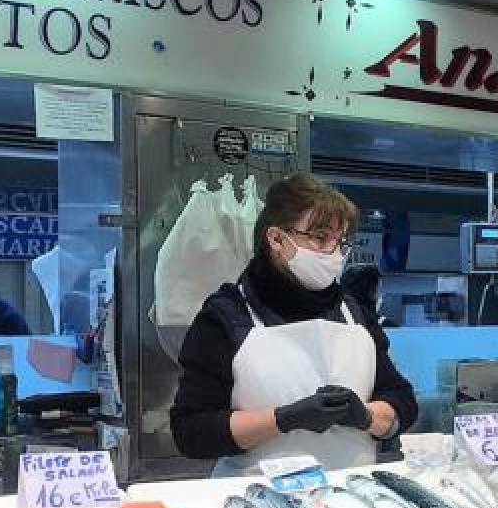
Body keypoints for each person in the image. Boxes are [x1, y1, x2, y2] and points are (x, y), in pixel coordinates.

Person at [170, 173, 417, 475]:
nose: (334, 253)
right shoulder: (227, 315)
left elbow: (401, 400)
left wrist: (363, 416)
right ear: (276, 239)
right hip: (260, 502)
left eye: (340, 241)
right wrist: (283, 419)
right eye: (320, 237)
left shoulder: (355, 312)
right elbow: (191, 431)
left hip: (351, 496)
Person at [340, 263, 396, 327]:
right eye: (379, 291)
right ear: (371, 294)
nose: (381, 296)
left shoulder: (330, 320)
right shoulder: (385, 325)